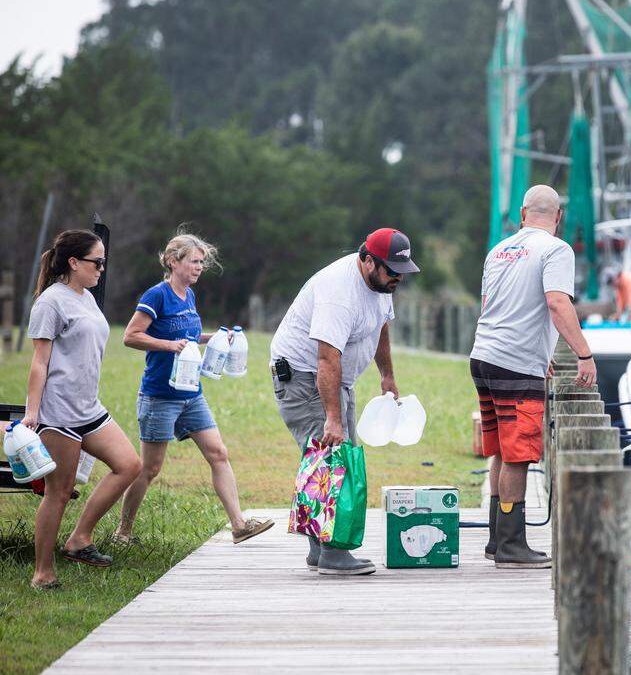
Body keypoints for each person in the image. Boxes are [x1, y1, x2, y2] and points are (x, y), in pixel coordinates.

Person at [270, 228, 416, 576]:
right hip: (304, 375)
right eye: (392, 270)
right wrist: (332, 419)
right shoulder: (339, 293)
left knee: (335, 456)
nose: (398, 277)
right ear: (367, 260)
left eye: (403, 270)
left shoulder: (383, 285)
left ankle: (320, 551)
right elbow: (326, 359)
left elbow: (382, 327)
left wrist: (387, 375)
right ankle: (333, 554)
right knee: (329, 457)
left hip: (336, 377)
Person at [114, 233, 273, 546]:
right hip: (160, 395)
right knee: (149, 468)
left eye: (202, 262)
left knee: (219, 454)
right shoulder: (157, 295)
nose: (200, 267)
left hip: (191, 393)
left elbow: (188, 335)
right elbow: (130, 336)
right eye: (194, 261)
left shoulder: (189, 296)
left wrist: (213, 337)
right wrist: (168, 345)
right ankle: (123, 532)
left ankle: (239, 525)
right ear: (174, 262)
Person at [471, 184, 596, 569]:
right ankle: (511, 544)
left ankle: (497, 539)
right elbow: (557, 303)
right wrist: (584, 355)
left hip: (483, 356)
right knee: (519, 454)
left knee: (499, 450)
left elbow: (495, 305)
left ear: (523, 214)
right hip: (514, 364)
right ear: (558, 218)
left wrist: (539, 354)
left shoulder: (499, 250)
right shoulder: (556, 250)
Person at [22, 230, 143, 589]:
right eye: (97, 261)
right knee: (58, 493)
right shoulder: (50, 302)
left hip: (89, 407)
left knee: (129, 465)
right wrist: (33, 413)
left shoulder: (87, 298)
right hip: (59, 413)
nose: (102, 268)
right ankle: (42, 573)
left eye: (104, 261)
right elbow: (39, 362)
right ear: (74, 262)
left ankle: (79, 538)